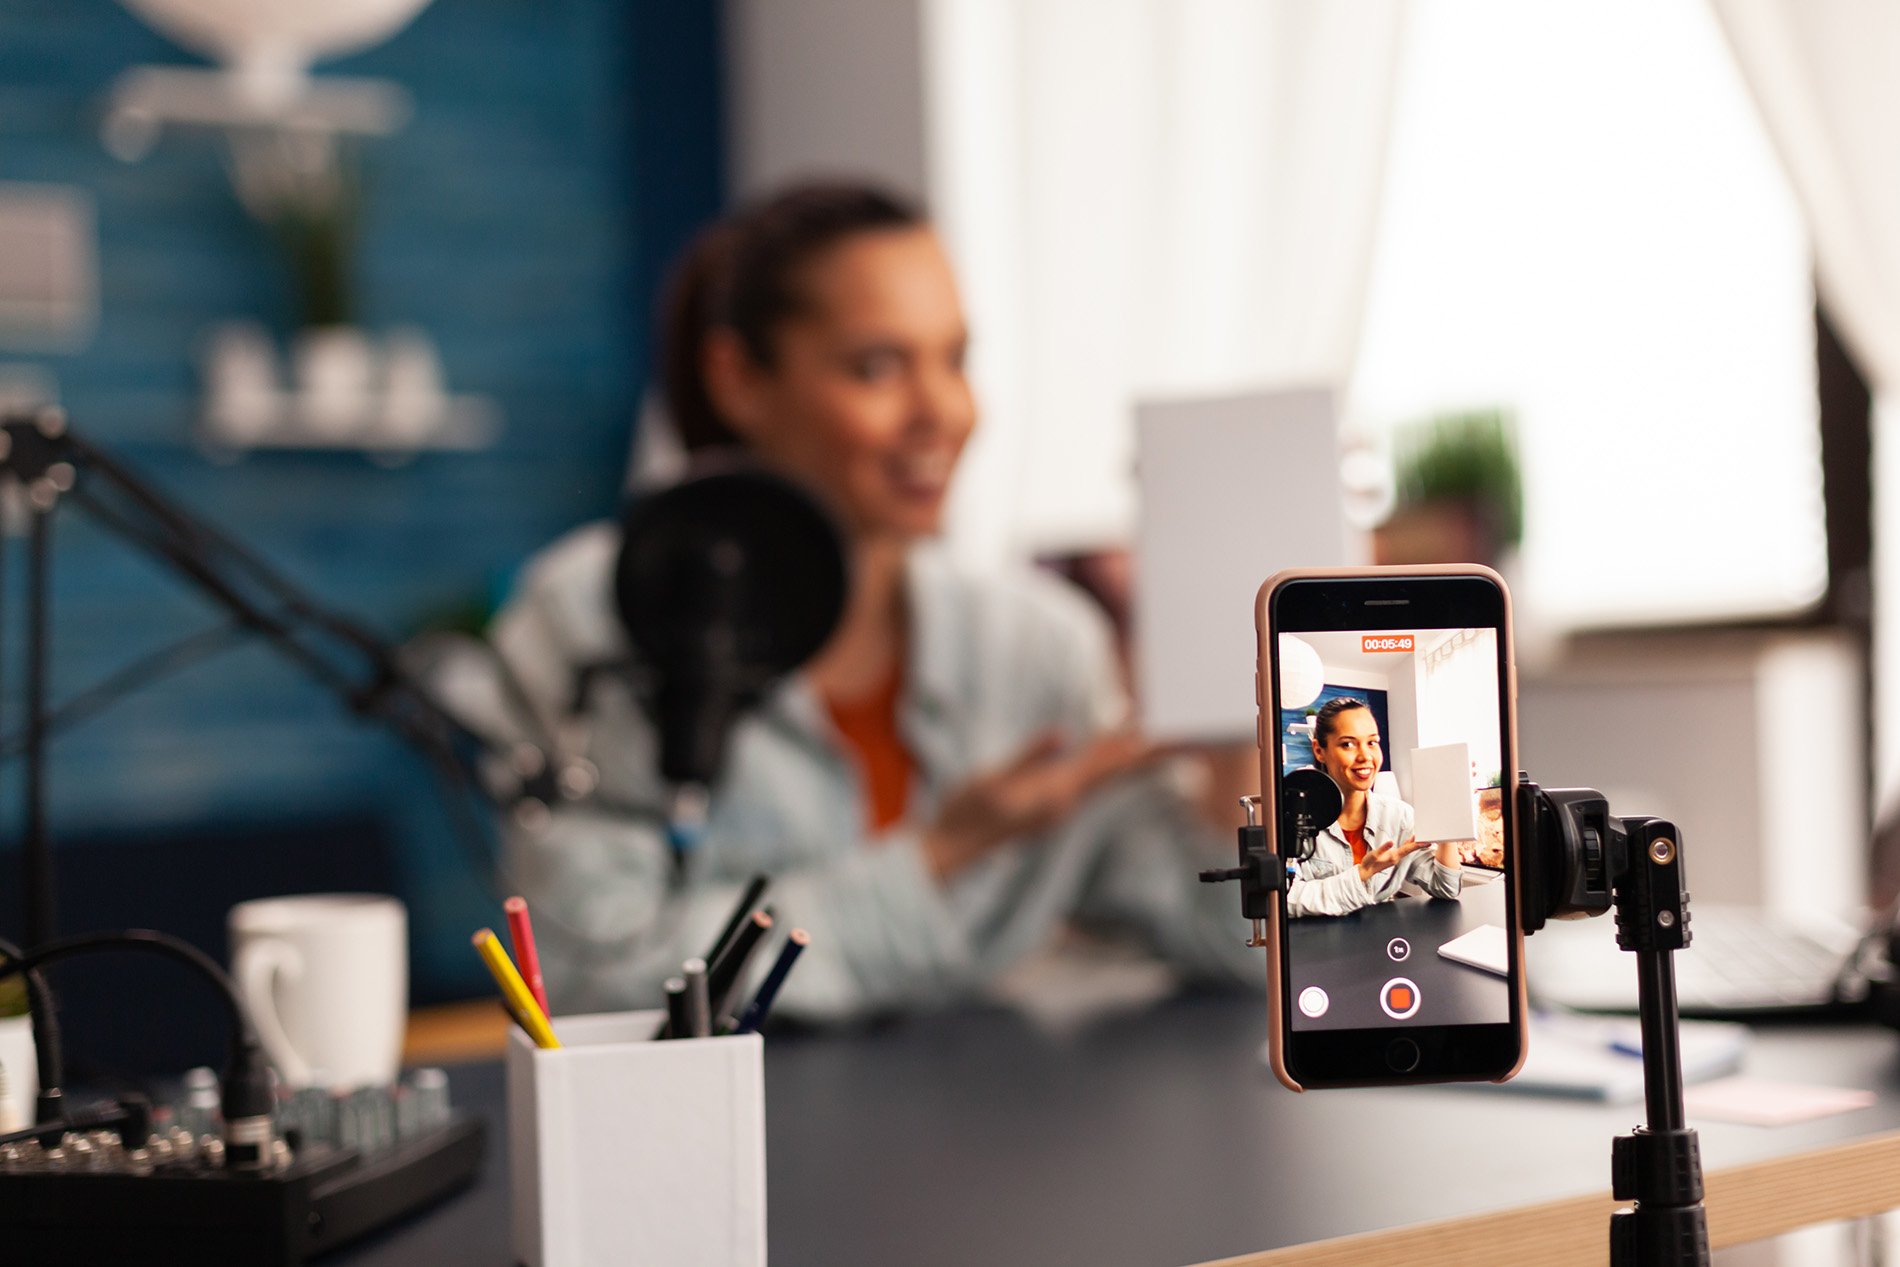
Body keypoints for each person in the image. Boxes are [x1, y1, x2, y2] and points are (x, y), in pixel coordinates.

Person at [491, 181, 1258, 1020]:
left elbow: (1238, 944)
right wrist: (942, 853)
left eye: (955, 360)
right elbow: (592, 977)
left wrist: (1240, 735)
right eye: (877, 367)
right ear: (738, 378)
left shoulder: (1036, 647)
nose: (942, 412)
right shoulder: (593, 617)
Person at [1286, 697, 1462, 918]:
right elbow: (1285, 900)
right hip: (1319, 939)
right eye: (1347, 744)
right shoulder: (1295, 820)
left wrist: (1447, 807)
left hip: (1381, 936)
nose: (1365, 756)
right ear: (1319, 750)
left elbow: (1446, 888)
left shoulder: (1399, 817)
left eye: (1372, 742)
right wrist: (1363, 874)